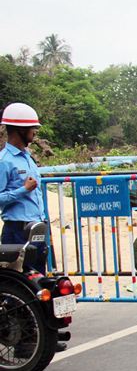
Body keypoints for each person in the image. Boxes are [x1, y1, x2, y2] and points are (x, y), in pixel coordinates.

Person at [1, 102, 65, 351]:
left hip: (35, 228)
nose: (35, 135)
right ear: (18, 130)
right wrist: (22, 190)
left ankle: (46, 334)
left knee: (39, 283)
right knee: (20, 286)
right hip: (16, 228)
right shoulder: (4, 161)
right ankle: (23, 341)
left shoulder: (28, 157)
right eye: (32, 130)